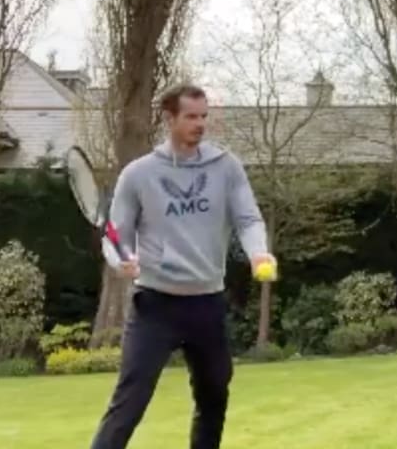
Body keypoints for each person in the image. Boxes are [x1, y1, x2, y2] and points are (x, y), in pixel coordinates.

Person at [90, 83, 275, 449]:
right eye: (191, 116)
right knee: (130, 401)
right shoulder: (139, 174)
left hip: (207, 303)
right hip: (155, 305)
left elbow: (248, 219)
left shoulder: (226, 167)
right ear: (169, 118)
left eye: (204, 116)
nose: (199, 123)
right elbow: (115, 236)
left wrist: (258, 252)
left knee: (213, 398)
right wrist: (121, 261)